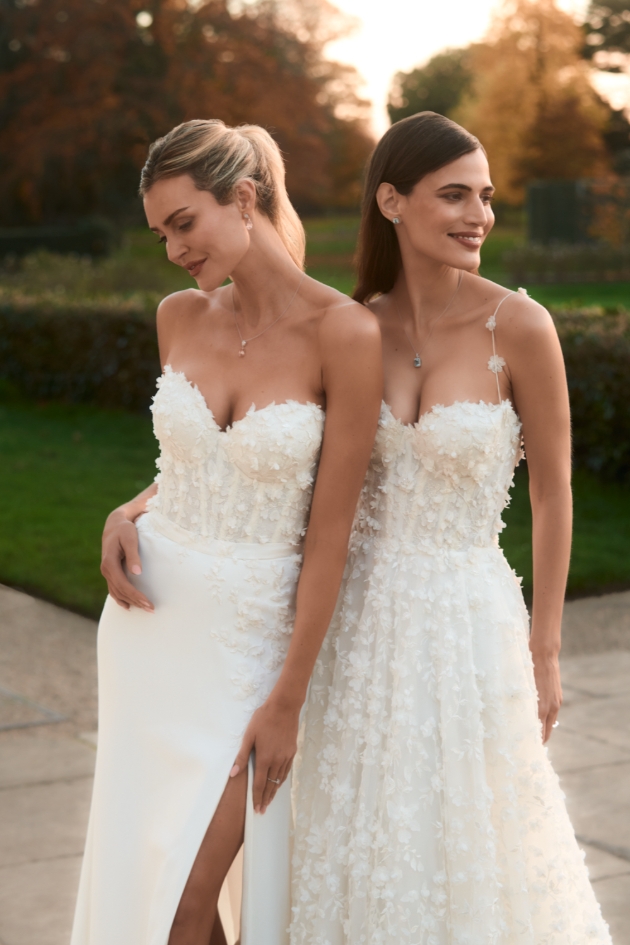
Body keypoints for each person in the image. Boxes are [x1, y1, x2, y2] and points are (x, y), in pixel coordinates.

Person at [291, 112, 612, 943]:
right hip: (357, 623)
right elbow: (277, 449)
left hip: (470, 619)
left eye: (488, 197)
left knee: (477, 831)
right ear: (392, 202)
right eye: (455, 195)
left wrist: (544, 646)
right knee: (366, 827)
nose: (480, 215)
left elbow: (553, 491)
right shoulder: (352, 324)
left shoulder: (521, 326)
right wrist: (140, 502)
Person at [70, 118, 382, 945]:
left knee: (184, 901)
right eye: (161, 232)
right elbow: (195, 464)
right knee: (164, 900)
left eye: (184, 223)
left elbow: (333, 530)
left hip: (249, 653)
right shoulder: (178, 316)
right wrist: (127, 508)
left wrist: (289, 697)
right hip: (146, 636)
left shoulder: (344, 332)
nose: (173, 249)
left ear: (243, 199)